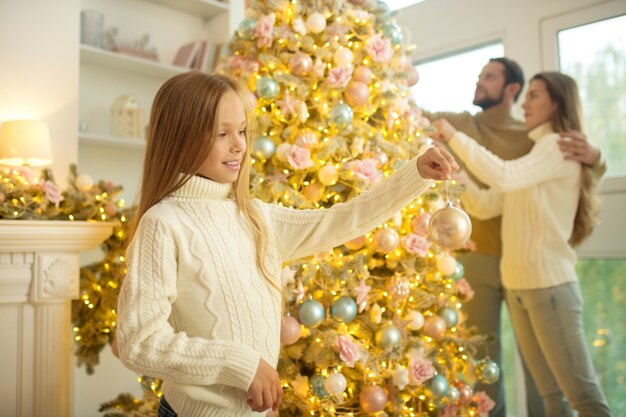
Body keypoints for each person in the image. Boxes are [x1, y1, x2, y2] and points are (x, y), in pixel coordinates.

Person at [114, 71, 459, 417]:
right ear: (181, 138)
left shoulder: (255, 217)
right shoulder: (163, 224)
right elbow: (140, 342)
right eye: (222, 133)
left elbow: (341, 220)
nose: (239, 145)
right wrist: (241, 364)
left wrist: (415, 174)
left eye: (243, 131)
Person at [421, 57, 605, 417]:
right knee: (552, 397)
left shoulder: (554, 147)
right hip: (521, 284)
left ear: (557, 103)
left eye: (535, 95)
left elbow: (503, 176)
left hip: (548, 286)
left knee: (582, 399)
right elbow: (490, 203)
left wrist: (454, 137)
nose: (526, 104)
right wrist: (455, 176)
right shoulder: (538, 151)